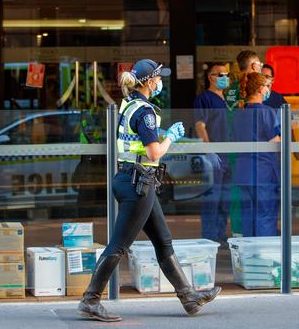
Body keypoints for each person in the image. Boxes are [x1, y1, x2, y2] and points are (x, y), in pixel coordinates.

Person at [78, 59, 221, 322]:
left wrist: (160, 134)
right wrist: (171, 138)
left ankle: (188, 297)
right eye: (158, 77)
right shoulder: (145, 112)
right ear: (148, 81)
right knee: (119, 245)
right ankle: (90, 299)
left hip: (132, 180)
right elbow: (154, 152)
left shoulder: (129, 105)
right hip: (138, 184)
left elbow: (138, 140)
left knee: (163, 240)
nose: (160, 82)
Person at [232, 72, 281, 237]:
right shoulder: (266, 112)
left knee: (248, 216)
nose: (269, 90)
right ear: (261, 89)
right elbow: (275, 141)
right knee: (265, 215)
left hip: (243, 172)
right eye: (267, 86)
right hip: (263, 172)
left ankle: (248, 257)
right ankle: (264, 256)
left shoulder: (238, 113)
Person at [193, 62, 231, 246]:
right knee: (213, 198)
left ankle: (220, 234)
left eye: (226, 74)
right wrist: (209, 150)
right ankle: (209, 237)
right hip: (215, 155)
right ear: (210, 77)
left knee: (225, 199)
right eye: (219, 74)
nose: (224, 77)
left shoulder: (229, 100)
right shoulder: (204, 99)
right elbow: (200, 125)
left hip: (230, 154)